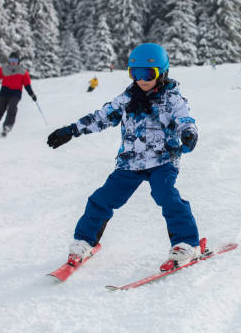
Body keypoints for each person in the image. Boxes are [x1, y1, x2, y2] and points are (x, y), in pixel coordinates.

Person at [46, 43, 201, 271]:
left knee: (166, 196)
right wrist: (71, 130)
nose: (142, 79)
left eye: (148, 73)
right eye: (135, 73)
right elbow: (101, 117)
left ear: (162, 72)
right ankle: (85, 241)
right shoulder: (128, 98)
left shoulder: (172, 99)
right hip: (130, 162)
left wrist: (188, 134)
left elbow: (184, 120)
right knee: (101, 199)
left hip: (163, 161)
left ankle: (187, 243)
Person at [0, 51, 37, 136]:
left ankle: (7, 126)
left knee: (12, 108)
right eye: (11, 60)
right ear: (9, 60)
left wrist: (32, 94)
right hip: (4, 92)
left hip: (16, 93)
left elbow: (27, 84)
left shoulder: (23, 71)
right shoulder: (3, 68)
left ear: (18, 61)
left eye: (15, 61)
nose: (13, 62)